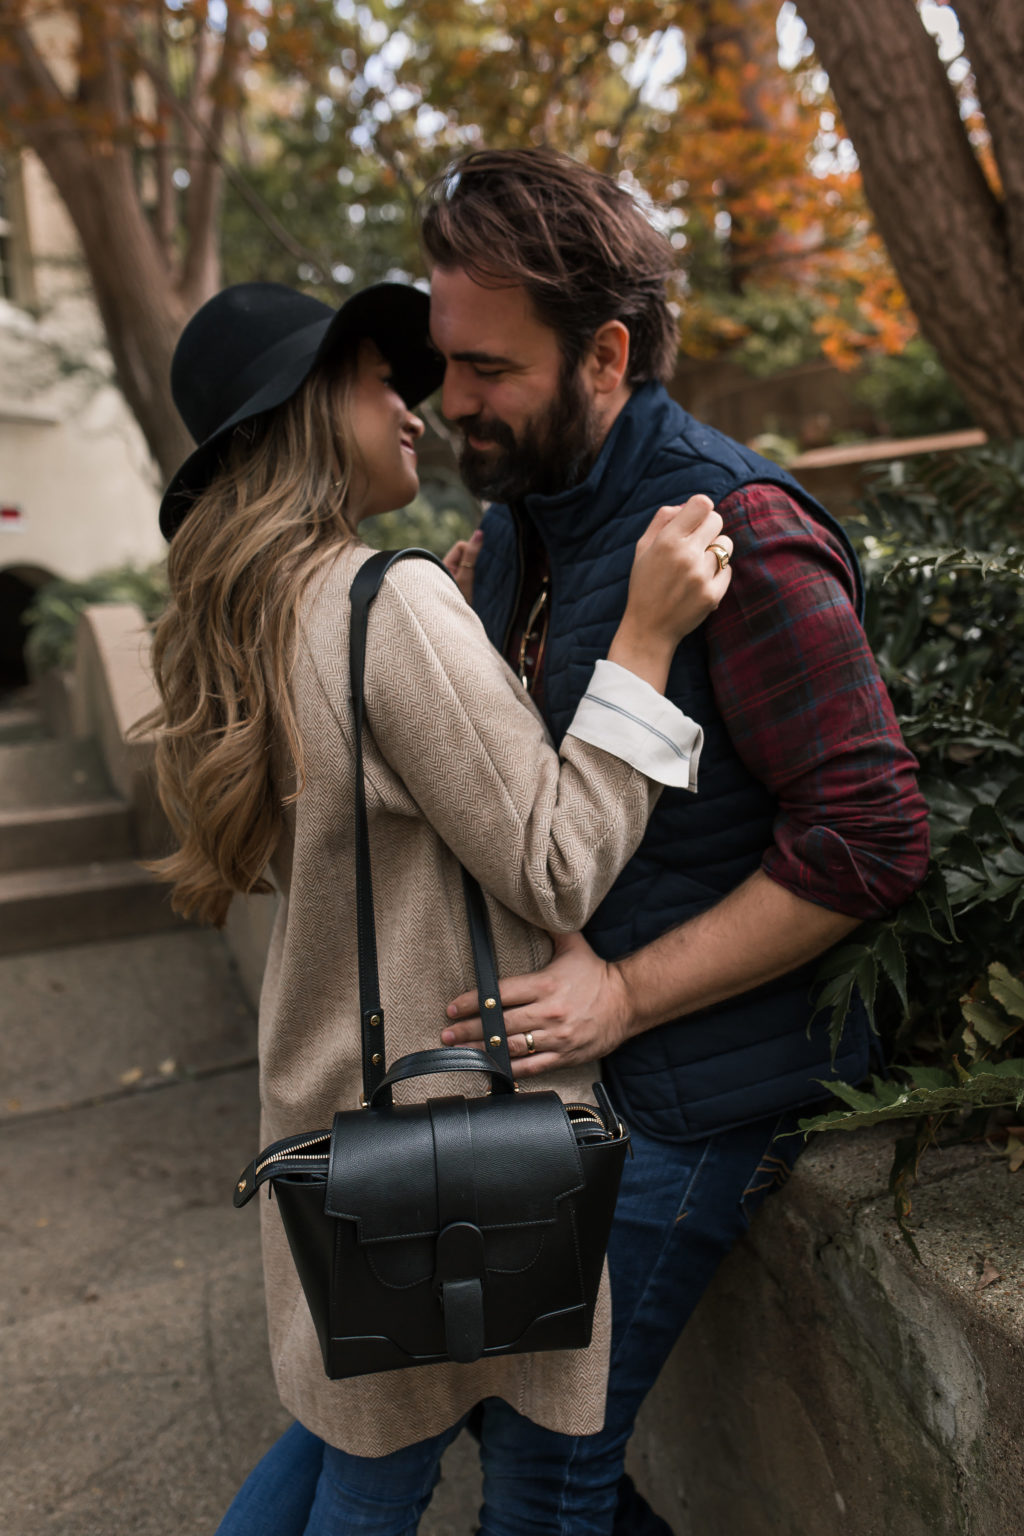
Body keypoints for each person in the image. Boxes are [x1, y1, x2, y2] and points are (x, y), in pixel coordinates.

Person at [147, 276, 734, 1535]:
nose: (409, 406)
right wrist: (644, 634)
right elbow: (559, 859)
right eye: (371, 377)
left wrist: (452, 646)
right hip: (456, 1134)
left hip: (334, 1122)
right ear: (305, 411)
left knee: (353, 1443)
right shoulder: (382, 602)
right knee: (377, 1477)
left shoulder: (254, 615)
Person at [423, 148, 931, 1532]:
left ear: (606, 353)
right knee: (495, 1414)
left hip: (702, 1084)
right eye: (446, 360)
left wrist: (626, 992)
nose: (452, 400)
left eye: (490, 371)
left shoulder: (738, 533)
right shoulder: (525, 515)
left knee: (540, 1460)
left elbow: (873, 839)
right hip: (571, 1074)